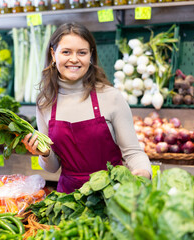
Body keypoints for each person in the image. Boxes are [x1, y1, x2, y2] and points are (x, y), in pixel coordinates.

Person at [22, 23, 151, 194]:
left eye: (82, 52)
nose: (74, 59)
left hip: (111, 194)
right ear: (54, 54)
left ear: (90, 56)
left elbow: (133, 152)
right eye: (66, 52)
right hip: (69, 200)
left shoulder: (111, 97)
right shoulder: (45, 103)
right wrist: (44, 153)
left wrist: (143, 172)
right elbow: (53, 167)